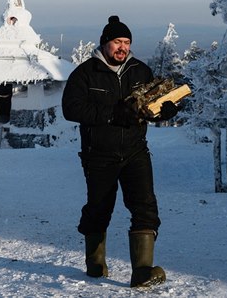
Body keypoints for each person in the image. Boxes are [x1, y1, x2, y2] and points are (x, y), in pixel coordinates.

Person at [62, 16, 178, 288]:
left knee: (145, 206)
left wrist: (167, 110)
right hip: (98, 154)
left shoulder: (140, 71)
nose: (122, 47)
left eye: (126, 42)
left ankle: (142, 272)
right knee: (99, 208)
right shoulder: (86, 73)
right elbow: (72, 109)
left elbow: (149, 107)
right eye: (117, 42)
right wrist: (114, 114)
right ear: (105, 43)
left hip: (135, 151)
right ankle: (95, 263)